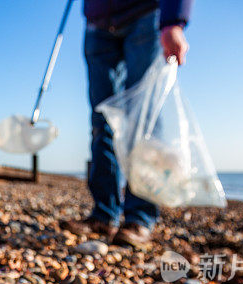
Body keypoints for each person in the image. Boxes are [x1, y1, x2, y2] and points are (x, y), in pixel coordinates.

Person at [63, 0, 193, 248]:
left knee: (143, 117)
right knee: (102, 120)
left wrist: (174, 20)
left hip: (145, 14)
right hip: (97, 23)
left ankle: (139, 218)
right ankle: (104, 214)